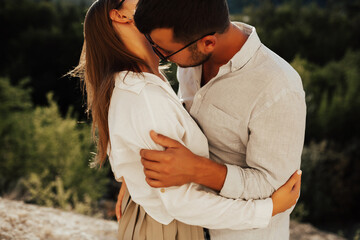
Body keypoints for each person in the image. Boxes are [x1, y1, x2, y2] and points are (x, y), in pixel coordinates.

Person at [70, 0, 302, 239]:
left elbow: (280, 190)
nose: (163, 56)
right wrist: (139, 178)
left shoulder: (277, 87)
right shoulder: (181, 61)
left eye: (164, 50)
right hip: (179, 222)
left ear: (208, 43)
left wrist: (199, 171)